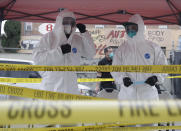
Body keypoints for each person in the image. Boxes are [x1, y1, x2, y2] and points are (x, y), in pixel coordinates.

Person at [33, 9, 96, 95]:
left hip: (71, 86)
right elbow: (38, 58)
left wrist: (84, 34)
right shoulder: (49, 38)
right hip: (51, 86)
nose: (69, 24)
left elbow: (91, 53)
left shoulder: (77, 39)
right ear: (59, 22)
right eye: (66, 21)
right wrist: (60, 51)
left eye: (71, 22)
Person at [111, 14, 168, 101]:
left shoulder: (153, 47)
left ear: (140, 28)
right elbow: (115, 68)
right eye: (127, 28)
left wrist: (156, 77)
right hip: (127, 96)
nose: (130, 30)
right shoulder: (122, 49)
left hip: (148, 95)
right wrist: (123, 78)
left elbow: (163, 66)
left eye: (133, 27)